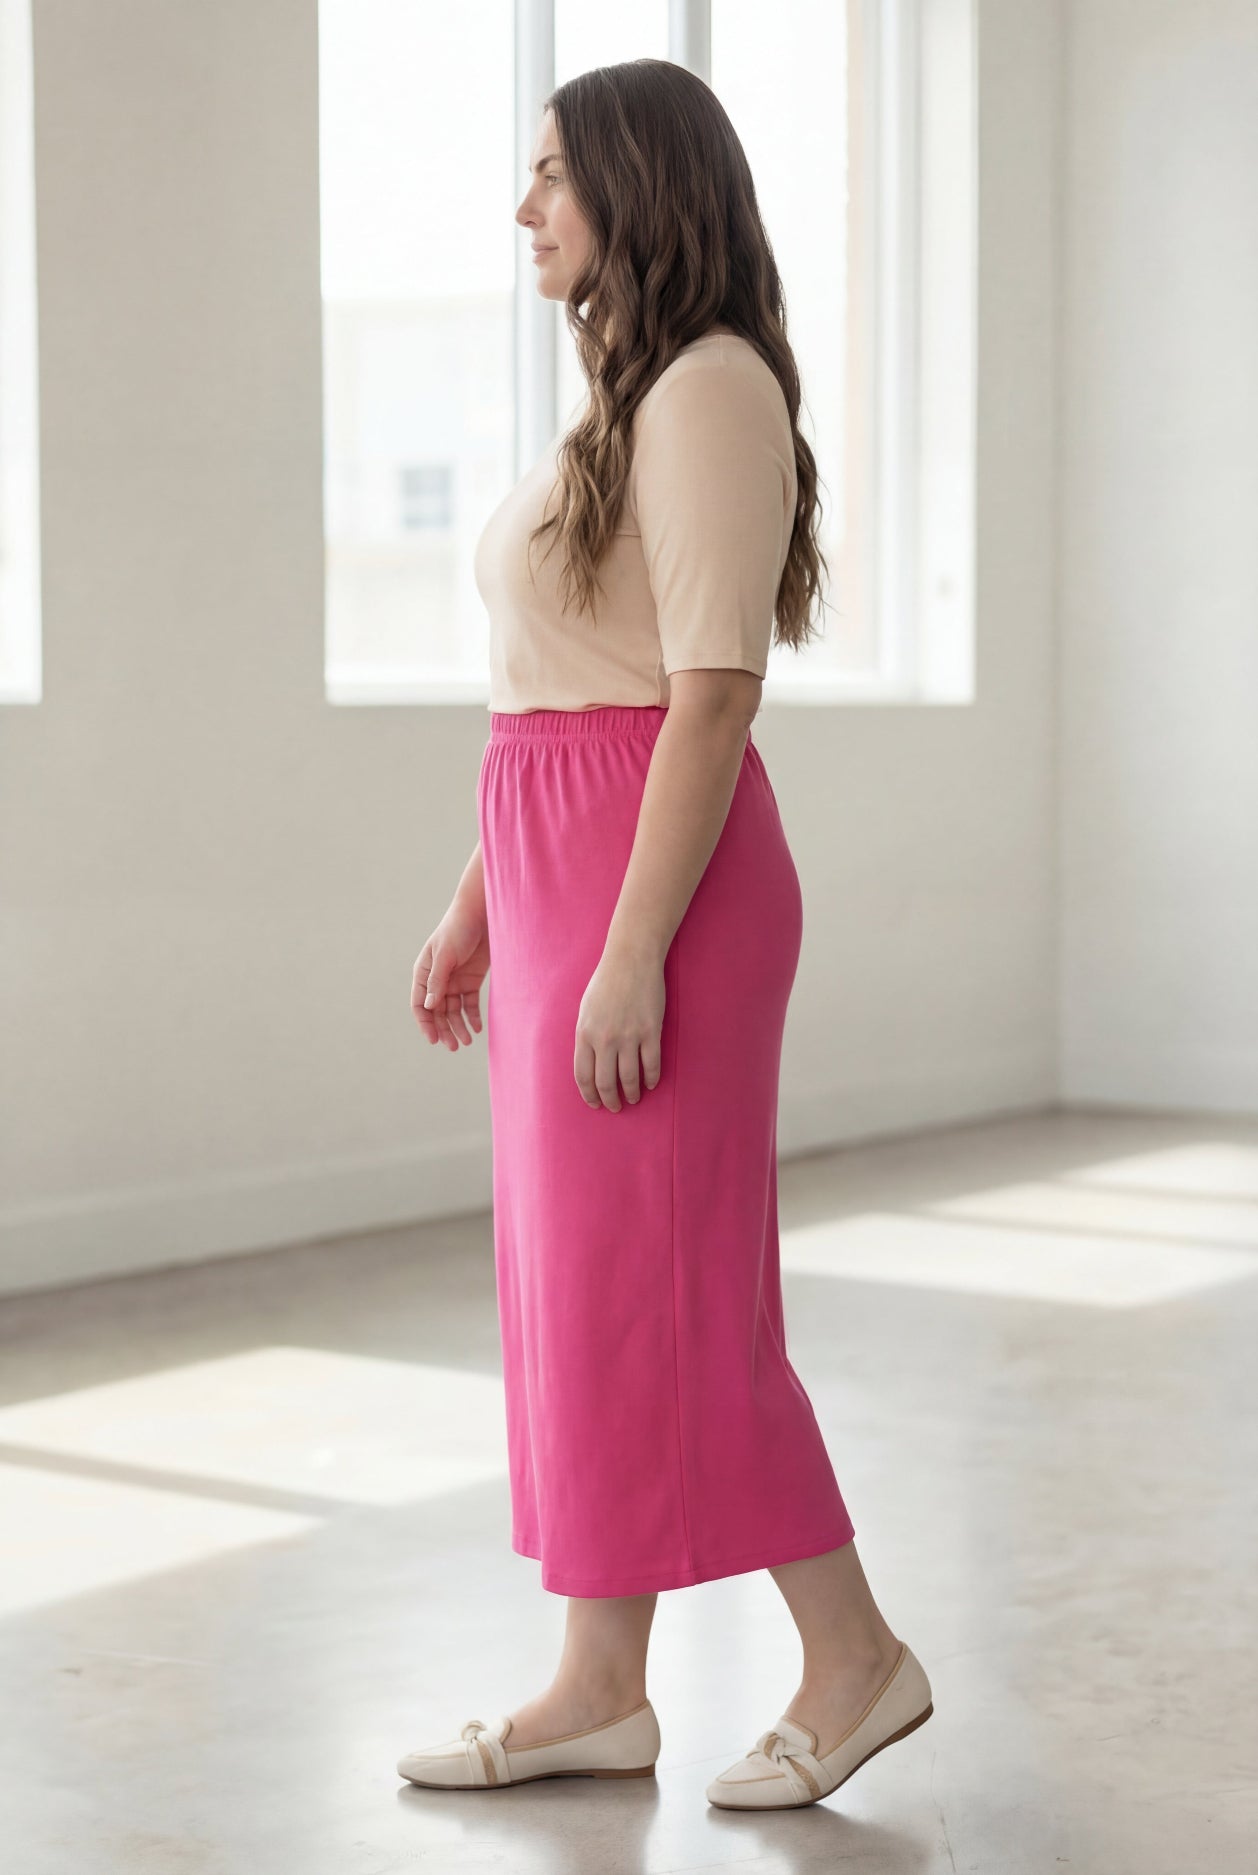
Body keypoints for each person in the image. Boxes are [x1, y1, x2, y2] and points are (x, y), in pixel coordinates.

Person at [398, 59, 932, 1811]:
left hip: (661, 893)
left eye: (552, 174)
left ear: (638, 186)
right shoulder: (622, 403)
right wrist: (482, 901)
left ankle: (854, 1656)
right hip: (568, 877)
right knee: (592, 1299)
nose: (525, 207)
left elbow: (704, 699)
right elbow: (566, 684)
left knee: (677, 1299)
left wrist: (629, 949)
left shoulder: (708, 390)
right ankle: (598, 1688)